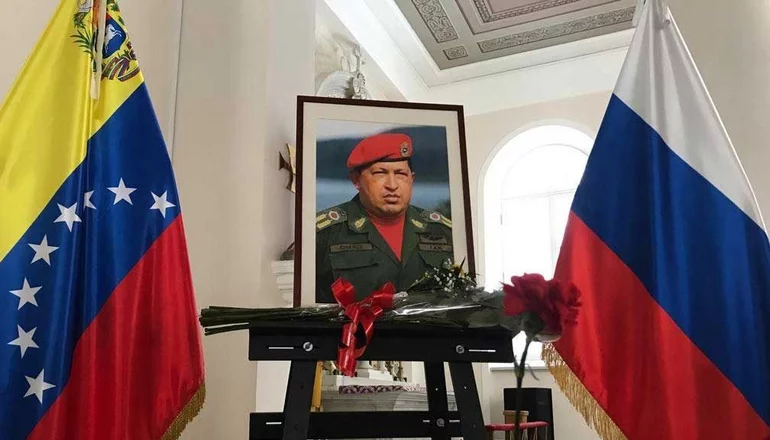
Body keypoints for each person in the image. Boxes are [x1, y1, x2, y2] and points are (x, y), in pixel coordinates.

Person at [315, 132, 454, 303]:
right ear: (356, 180)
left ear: (412, 179)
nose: (392, 185)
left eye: (400, 174)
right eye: (380, 173)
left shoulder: (442, 230)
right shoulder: (325, 233)